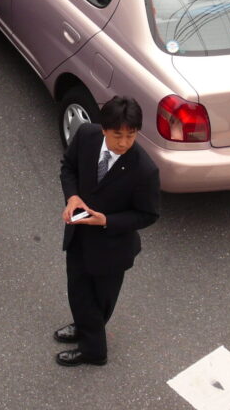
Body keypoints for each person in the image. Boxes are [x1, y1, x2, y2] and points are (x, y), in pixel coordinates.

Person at [55, 96, 160, 366]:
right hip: (79, 234)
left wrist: (106, 221)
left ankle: (94, 351)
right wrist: (72, 196)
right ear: (103, 129)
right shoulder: (86, 136)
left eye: (130, 135)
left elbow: (148, 214)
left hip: (113, 247)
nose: (124, 143)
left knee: (100, 299)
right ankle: (84, 326)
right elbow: (68, 168)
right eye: (117, 135)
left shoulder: (145, 170)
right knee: (77, 289)